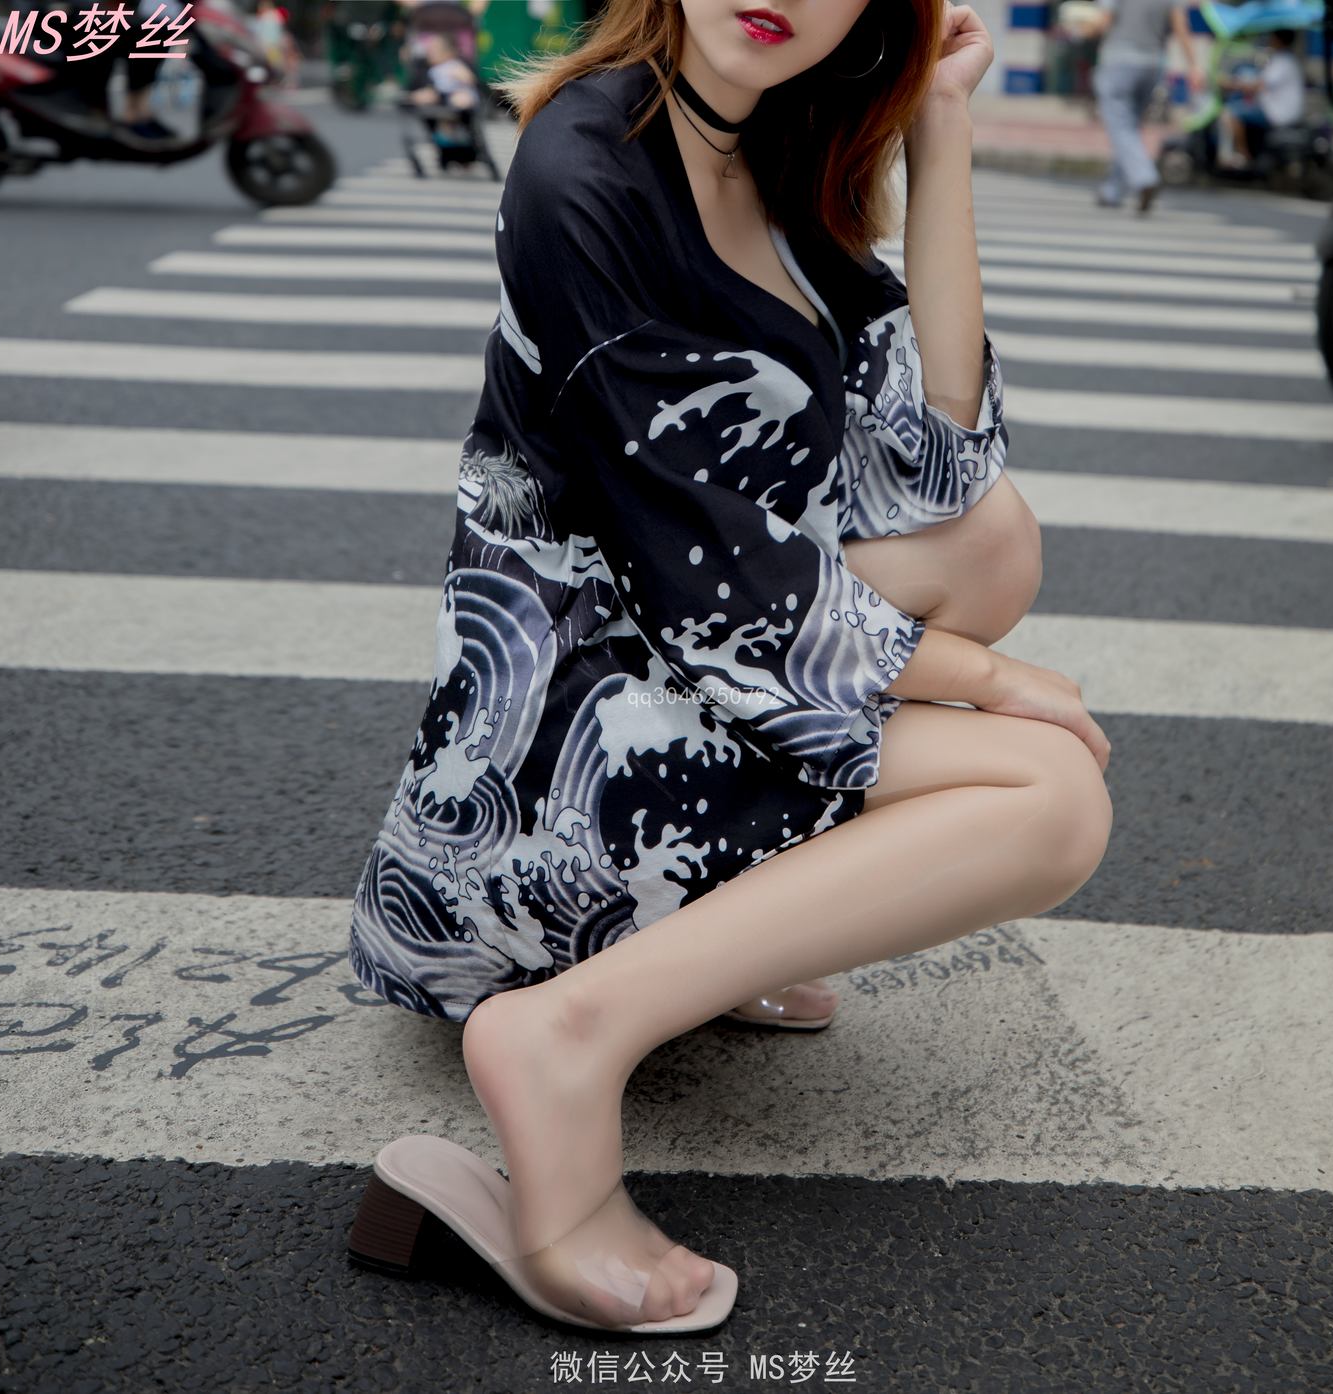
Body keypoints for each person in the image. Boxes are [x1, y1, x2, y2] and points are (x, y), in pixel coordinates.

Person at [347, 0, 1112, 1333]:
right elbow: (717, 593)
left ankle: (715, 926)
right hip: (552, 774)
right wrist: (989, 684)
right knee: (1049, 799)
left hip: (676, 650)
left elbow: (933, 460)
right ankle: (568, 1031)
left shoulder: (768, 149)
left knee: (990, 541)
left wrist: (938, 123)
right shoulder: (583, 172)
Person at [1078, 0, 1202, 211]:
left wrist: (1083, 30)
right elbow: (1181, 26)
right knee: (1130, 129)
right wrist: (1193, 66)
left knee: (1121, 128)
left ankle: (1144, 178)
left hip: (1118, 62)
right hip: (1153, 64)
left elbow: (1103, 22)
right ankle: (1113, 190)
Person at [1217, 28, 1306, 170]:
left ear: (1277, 40)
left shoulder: (1283, 61)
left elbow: (1258, 85)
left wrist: (1230, 84)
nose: (1269, 40)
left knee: (1231, 112)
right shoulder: (1283, 59)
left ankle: (1241, 156)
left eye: (1272, 37)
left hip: (1277, 113)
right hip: (1275, 110)